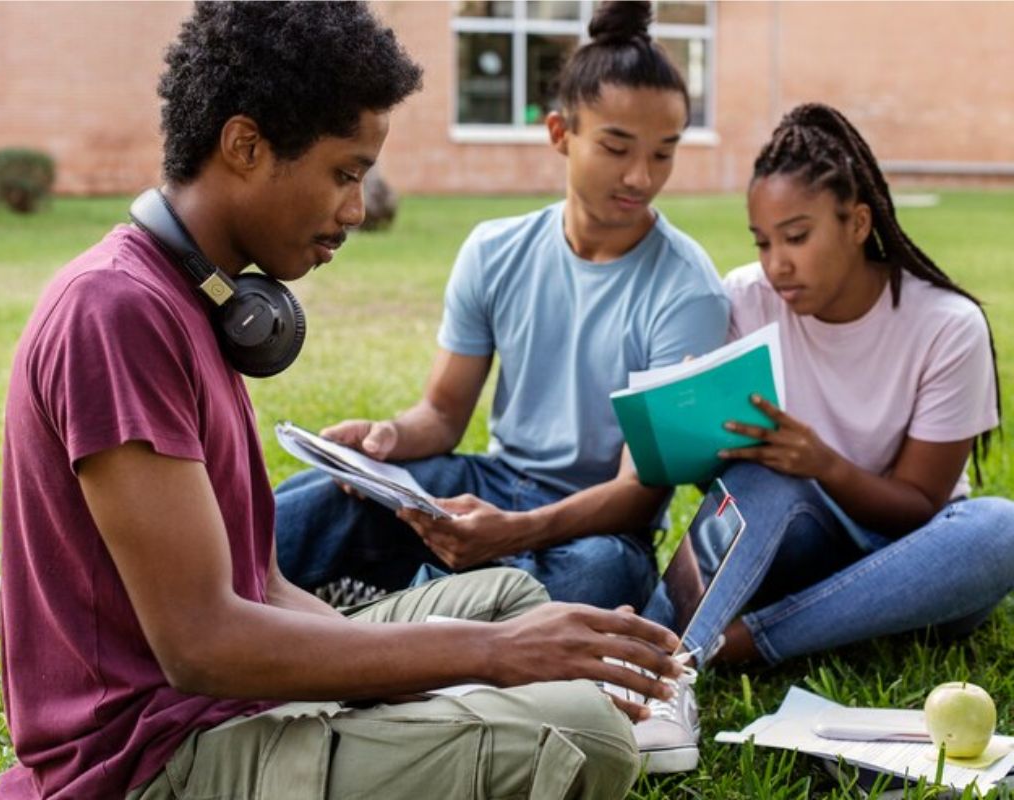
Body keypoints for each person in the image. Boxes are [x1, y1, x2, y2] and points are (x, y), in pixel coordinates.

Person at [0, 4, 686, 798]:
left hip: (232, 691)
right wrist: (488, 662)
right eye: (345, 173)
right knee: (584, 730)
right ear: (246, 146)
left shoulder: (198, 300)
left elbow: (265, 585)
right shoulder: (116, 314)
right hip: (159, 757)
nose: (356, 210)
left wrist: (451, 670)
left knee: (512, 599)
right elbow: (201, 645)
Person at [274, 0, 730, 614]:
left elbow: (639, 493)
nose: (641, 177)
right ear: (560, 134)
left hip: (594, 528)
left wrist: (515, 531)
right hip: (488, 486)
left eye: (663, 152)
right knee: (326, 497)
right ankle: (207, 599)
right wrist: (386, 440)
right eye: (617, 148)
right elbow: (440, 414)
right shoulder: (495, 250)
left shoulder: (688, 289)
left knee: (600, 580)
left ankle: (398, 604)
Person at [687, 103, 1014, 669]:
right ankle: (669, 642)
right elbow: (730, 493)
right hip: (799, 545)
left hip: (914, 558)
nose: (776, 265)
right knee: (759, 480)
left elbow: (918, 507)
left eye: (796, 237)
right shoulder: (744, 298)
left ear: (858, 224)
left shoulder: (947, 325)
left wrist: (823, 463)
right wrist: (689, 420)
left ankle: (746, 641)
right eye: (763, 243)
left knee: (1000, 529)